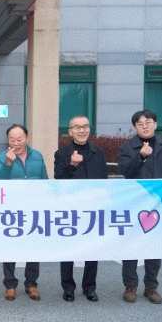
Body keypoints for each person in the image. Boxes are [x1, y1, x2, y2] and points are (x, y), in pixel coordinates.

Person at [118, 109, 162, 304]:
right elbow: (124, 170)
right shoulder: (127, 148)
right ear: (135, 128)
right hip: (135, 204)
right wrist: (140, 156)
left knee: (155, 246)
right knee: (131, 245)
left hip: (160, 205)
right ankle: (130, 286)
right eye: (140, 124)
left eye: (148, 122)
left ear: (155, 125)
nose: (145, 126)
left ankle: (151, 286)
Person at [54, 115, 107, 303]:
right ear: (70, 132)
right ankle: (68, 288)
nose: (82, 130)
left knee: (92, 250)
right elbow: (59, 179)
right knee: (68, 250)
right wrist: (72, 165)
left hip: (93, 208)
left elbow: (104, 180)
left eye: (85, 126)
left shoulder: (98, 152)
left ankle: (89, 287)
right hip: (71, 208)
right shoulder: (61, 154)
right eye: (77, 127)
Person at [0, 124, 48, 301]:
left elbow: (45, 181)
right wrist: (8, 164)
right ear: (7, 140)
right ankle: (10, 285)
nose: (16, 143)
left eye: (19, 139)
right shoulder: (1, 157)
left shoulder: (37, 155)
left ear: (27, 138)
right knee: (10, 248)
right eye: (12, 139)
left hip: (33, 209)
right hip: (11, 210)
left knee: (34, 248)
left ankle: (31, 284)